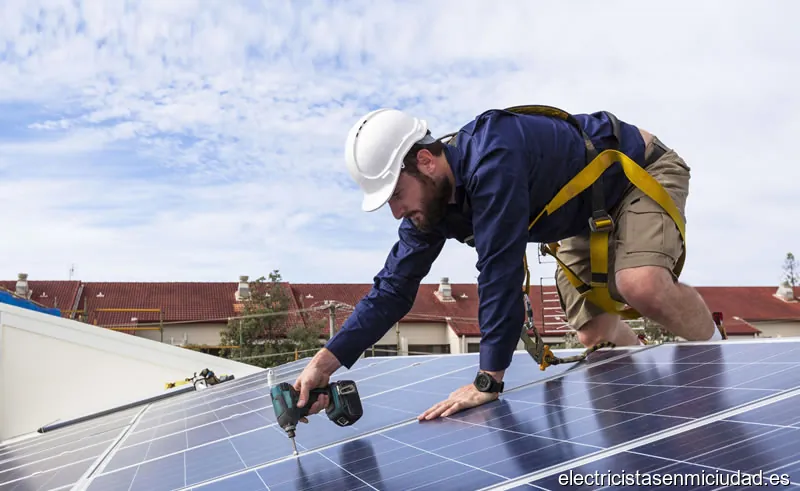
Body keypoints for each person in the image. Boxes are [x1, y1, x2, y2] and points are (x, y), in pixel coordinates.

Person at [292, 105, 721, 422]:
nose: (396, 212)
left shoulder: (493, 156)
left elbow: (500, 271)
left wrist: (489, 379)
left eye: (397, 195)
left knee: (639, 284)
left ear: (425, 161)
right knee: (595, 331)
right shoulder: (431, 206)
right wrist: (323, 364)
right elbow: (392, 290)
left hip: (635, 173)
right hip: (582, 215)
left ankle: (723, 365)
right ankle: (648, 411)